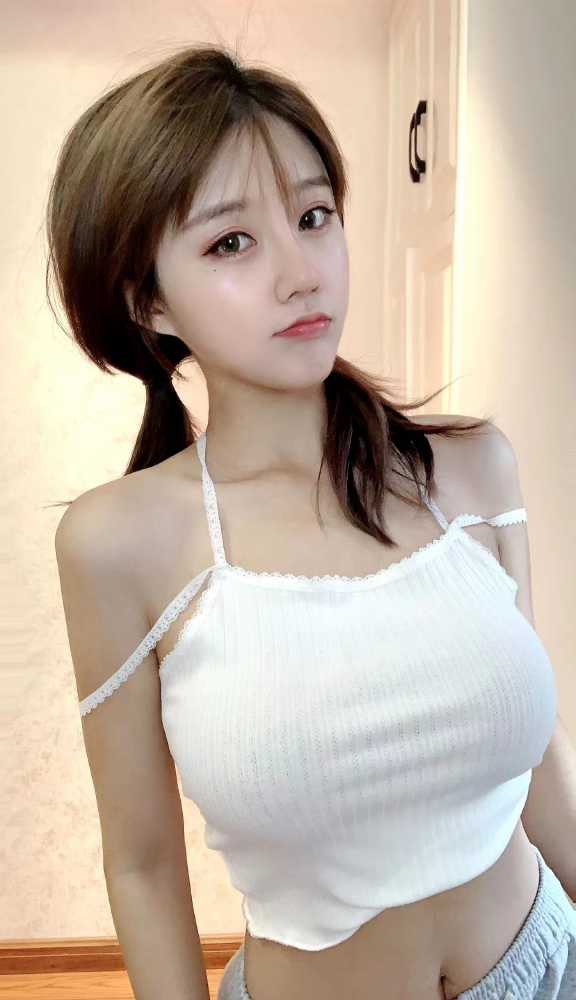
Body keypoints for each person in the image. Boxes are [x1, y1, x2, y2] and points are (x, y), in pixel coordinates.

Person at [50, 43, 575, 1000]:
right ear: (149, 302)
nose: (302, 273)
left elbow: (540, 763)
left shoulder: (472, 467)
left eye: (313, 216)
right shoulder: (119, 543)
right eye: (231, 243)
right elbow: (143, 867)